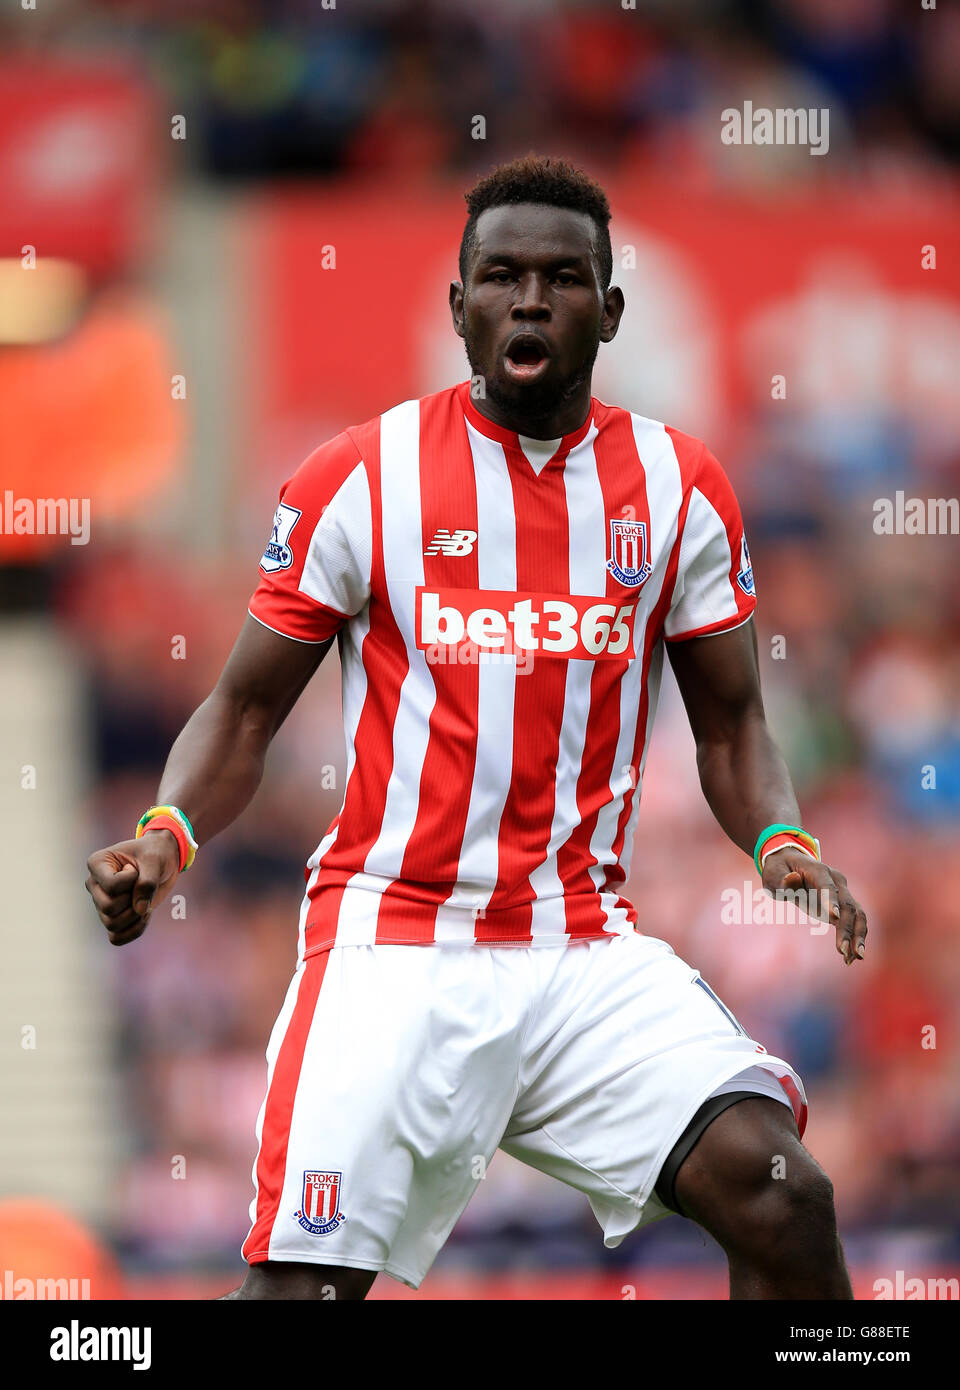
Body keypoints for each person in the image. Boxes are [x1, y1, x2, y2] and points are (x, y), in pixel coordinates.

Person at [85, 154, 867, 1300]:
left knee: (785, 1195)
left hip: (579, 947)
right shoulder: (362, 476)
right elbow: (246, 709)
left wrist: (782, 842)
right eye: (501, 276)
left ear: (611, 308)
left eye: (564, 276)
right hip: (396, 945)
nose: (532, 298)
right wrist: (166, 832)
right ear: (460, 307)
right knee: (298, 1291)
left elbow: (734, 728)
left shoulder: (679, 486)